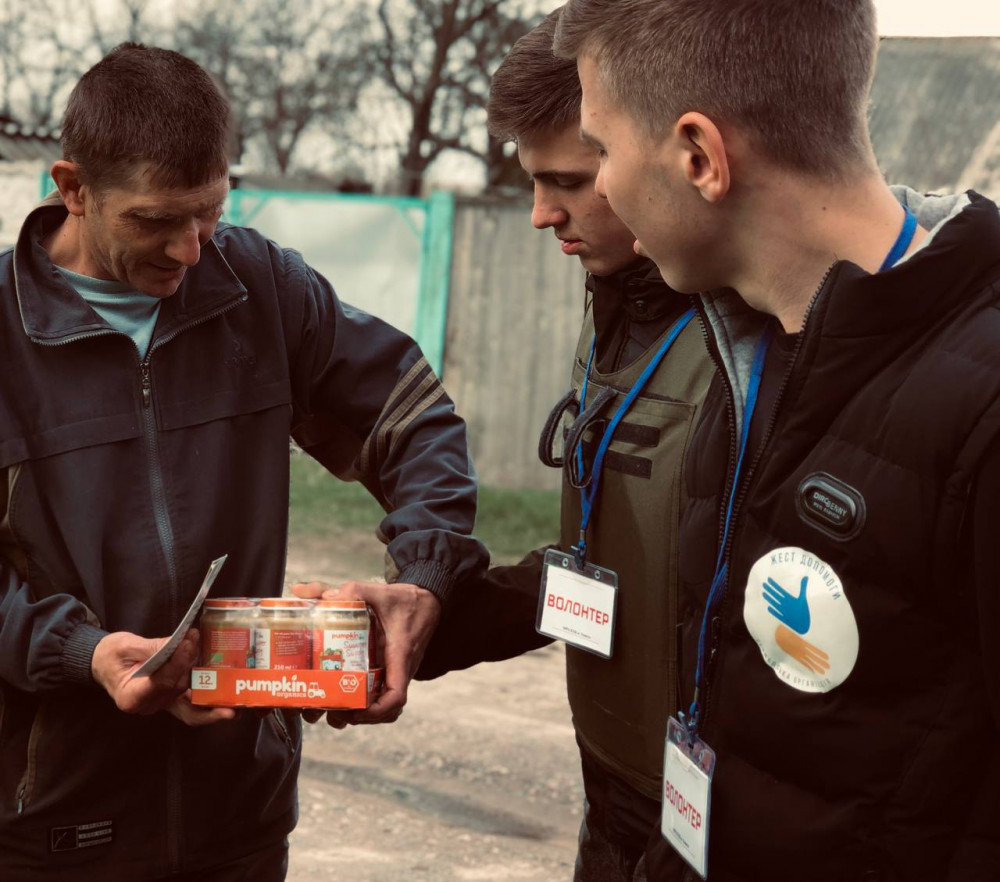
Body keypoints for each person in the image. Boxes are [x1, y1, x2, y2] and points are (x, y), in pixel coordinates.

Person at [0, 43, 487, 881]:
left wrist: (426, 572)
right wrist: (82, 651)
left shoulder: (260, 288)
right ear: (73, 188)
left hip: (240, 818)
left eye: (210, 214)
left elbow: (415, 422)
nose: (190, 251)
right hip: (53, 826)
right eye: (155, 220)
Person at [554, 1, 1000, 879]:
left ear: (699, 157)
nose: (598, 187)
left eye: (602, 148)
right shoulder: (747, 350)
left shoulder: (981, 405)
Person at [416, 11, 716, 882]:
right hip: (615, 795)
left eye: (572, 180)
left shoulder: (764, 338)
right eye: (534, 182)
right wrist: (434, 622)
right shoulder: (615, 302)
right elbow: (612, 573)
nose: (542, 214)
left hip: (716, 830)